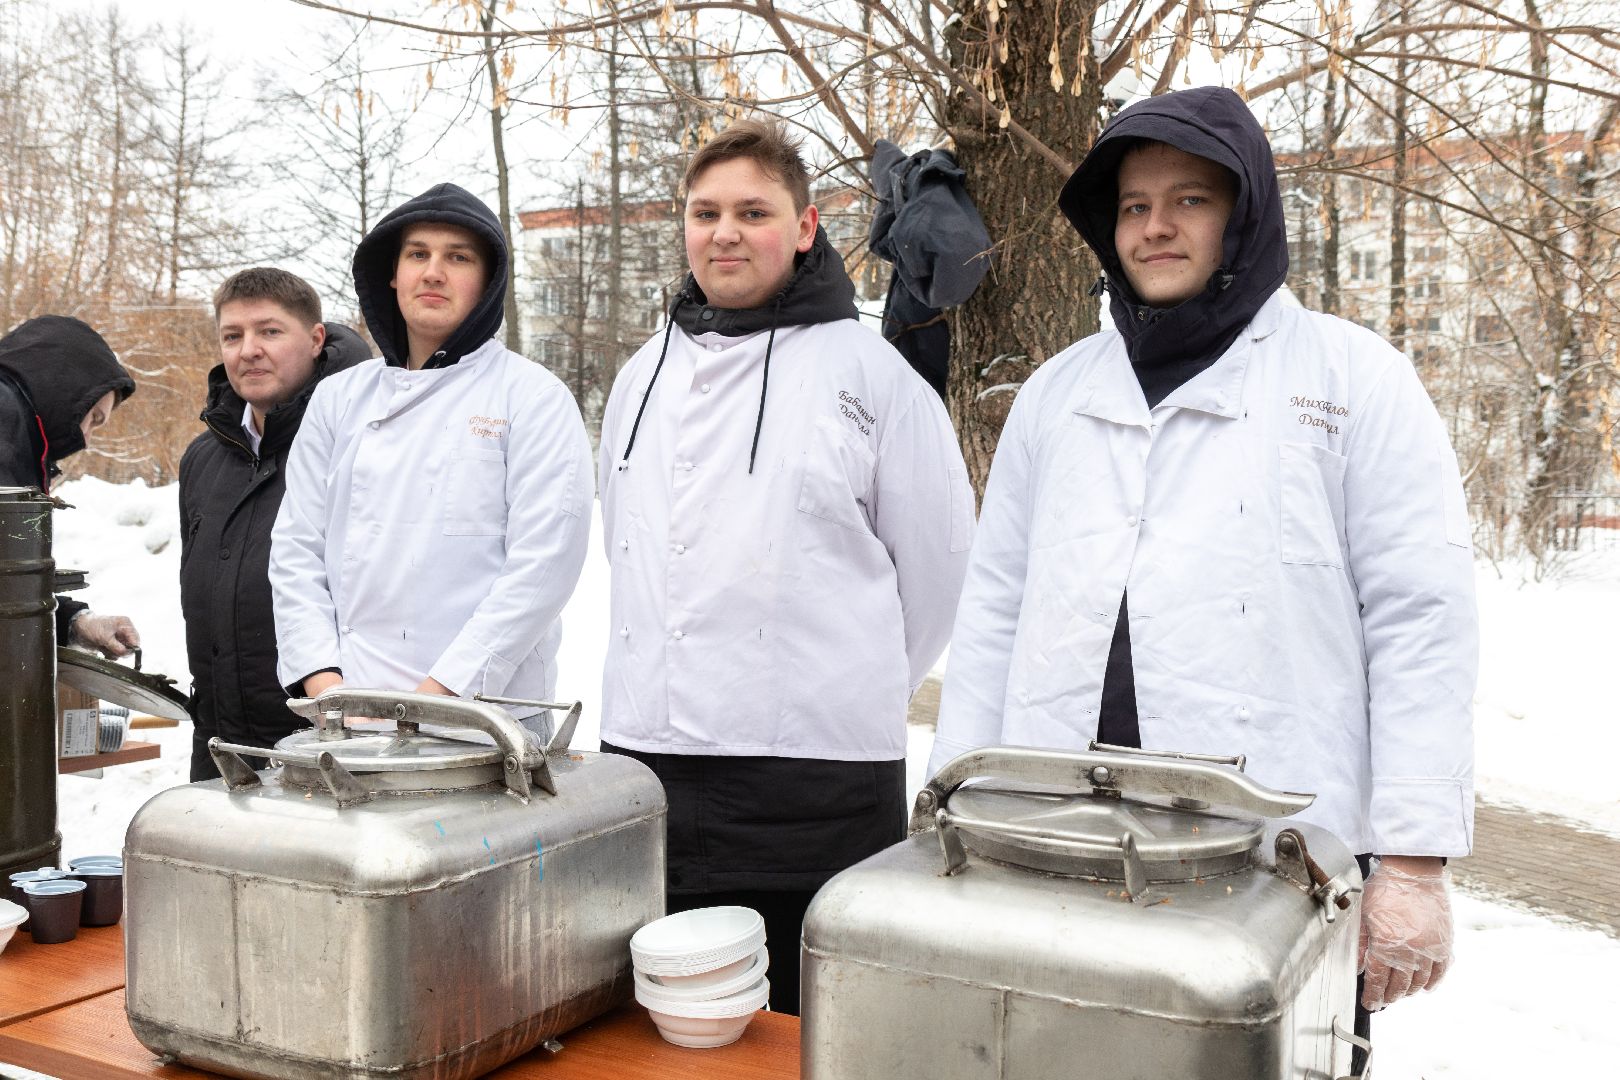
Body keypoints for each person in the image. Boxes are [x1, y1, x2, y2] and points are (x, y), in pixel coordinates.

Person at [930, 86, 1475, 1069]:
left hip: (1273, 863)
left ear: (1245, 213)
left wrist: (1414, 865)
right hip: (1062, 844)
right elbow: (995, 611)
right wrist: (955, 809)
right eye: (1135, 205)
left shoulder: (1354, 384)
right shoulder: (1057, 395)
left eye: (1189, 199)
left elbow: (1421, 622)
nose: (1157, 225)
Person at [597, 118, 975, 1015]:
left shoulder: (872, 375)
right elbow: (626, 542)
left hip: (816, 782)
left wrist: (845, 682)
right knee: (653, 1033)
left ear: (805, 228)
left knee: (810, 1032)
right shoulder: (640, 373)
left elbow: (940, 569)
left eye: (753, 211)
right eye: (705, 212)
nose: (724, 232)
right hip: (648, 769)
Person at [269, 185, 592, 731]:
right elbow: (297, 548)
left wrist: (439, 695)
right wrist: (323, 680)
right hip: (350, 715)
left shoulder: (533, 396)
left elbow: (544, 564)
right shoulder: (337, 399)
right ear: (391, 274)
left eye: (457, 257)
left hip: (487, 720)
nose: (433, 272)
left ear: (488, 281)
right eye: (417, 254)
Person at [179, 269, 371, 781]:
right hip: (219, 744)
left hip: (325, 741)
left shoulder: (360, 443)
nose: (248, 351)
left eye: (269, 331)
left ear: (315, 340)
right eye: (232, 336)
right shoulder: (202, 458)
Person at [0, 315, 141, 656]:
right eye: (93, 417)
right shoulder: (4, 417)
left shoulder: (20, 441)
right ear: (66, 386)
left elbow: (8, 586)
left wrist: (73, 621)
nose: (87, 439)